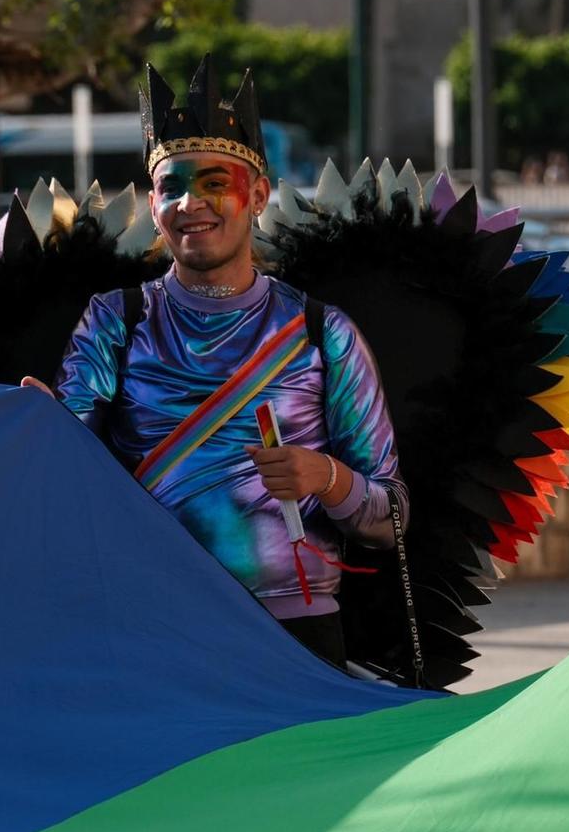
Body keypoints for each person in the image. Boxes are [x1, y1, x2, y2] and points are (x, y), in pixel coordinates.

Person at [31, 60, 407, 667]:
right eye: (170, 187)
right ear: (153, 205)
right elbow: (71, 482)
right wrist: (38, 434)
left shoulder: (321, 333)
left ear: (258, 194)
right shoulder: (114, 322)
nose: (190, 203)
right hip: (154, 634)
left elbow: (393, 515)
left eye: (213, 182)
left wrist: (324, 478)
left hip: (296, 642)